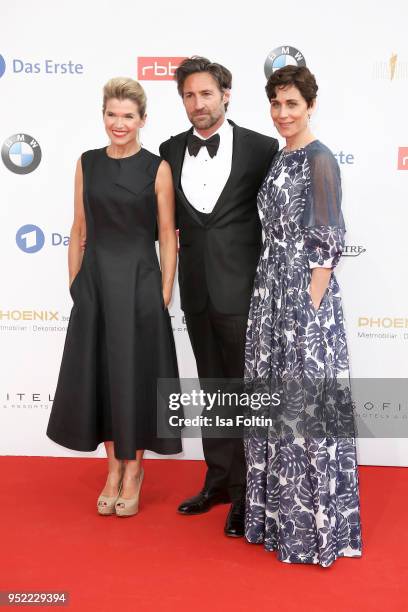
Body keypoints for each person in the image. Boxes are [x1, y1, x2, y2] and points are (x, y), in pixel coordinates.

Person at [47, 77, 182, 517]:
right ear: (103, 115)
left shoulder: (157, 168)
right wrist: (76, 284)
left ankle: (135, 471)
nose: (118, 124)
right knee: (103, 377)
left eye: (128, 116)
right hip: (97, 284)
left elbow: (166, 234)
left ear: (143, 119)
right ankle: (112, 470)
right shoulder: (87, 162)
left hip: (141, 282)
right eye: (112, 114)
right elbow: (79, 228)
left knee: (136, 377)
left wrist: (163, 291)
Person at [244, 65, 362, 565]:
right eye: (276, 104)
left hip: (302, 303)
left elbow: (327, 244)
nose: (283, 113)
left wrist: (307, 314)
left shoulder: (320, 159)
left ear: (310, 105)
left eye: (292, 104)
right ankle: (276, 523)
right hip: (271, 291)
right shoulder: (280, 157)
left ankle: (312, 533)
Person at [160, 57, 278, 537]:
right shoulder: (168, 150)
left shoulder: (261, 148)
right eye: (189, 95)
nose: (197, 104)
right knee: (214, 391)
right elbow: (162, 222)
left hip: (245, 290)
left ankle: (250, 495)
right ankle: (220, 482)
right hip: (198, 293)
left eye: (205, 93)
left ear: (225, 94)